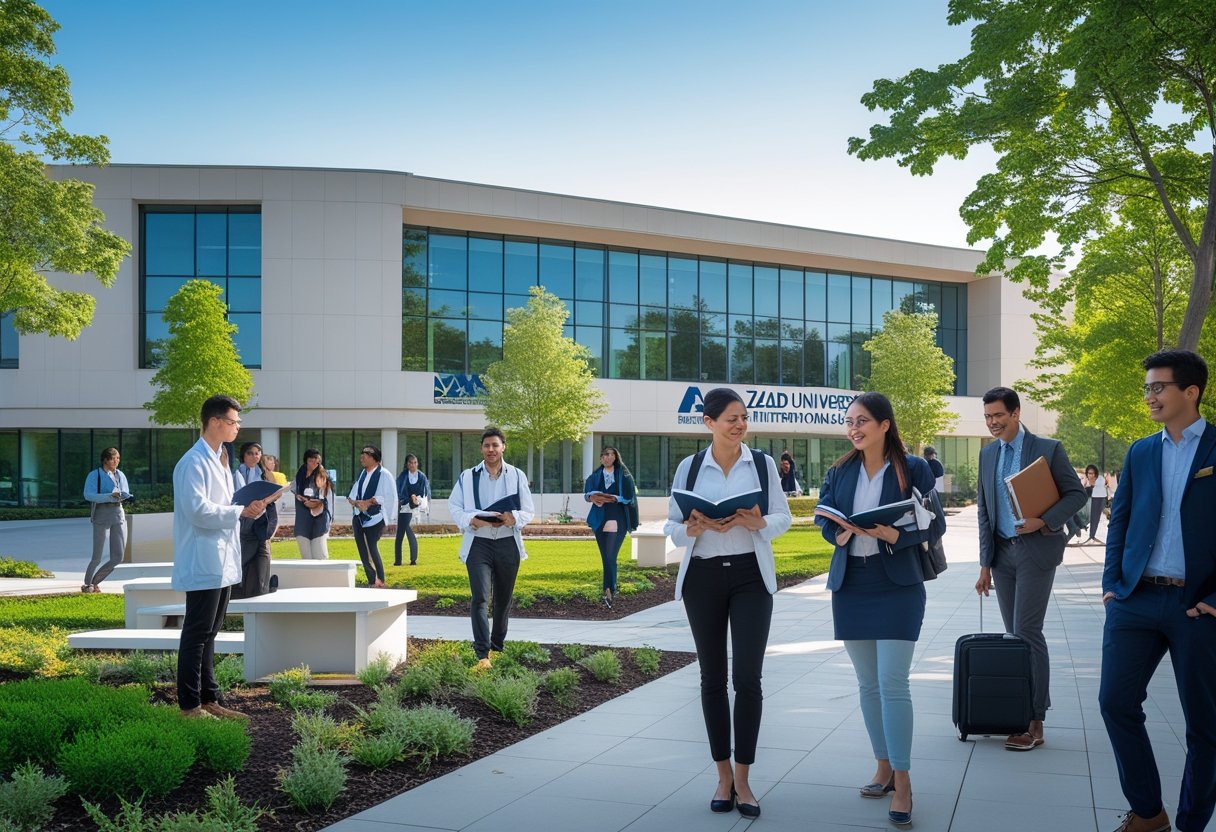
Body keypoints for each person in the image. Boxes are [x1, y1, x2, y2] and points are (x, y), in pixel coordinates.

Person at [1100, 350, 1216, 832]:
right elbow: (1121, 518)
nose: (1149, 395)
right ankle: (1149, 813)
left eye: (1158, 387)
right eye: (1146, 387)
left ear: (1190, 392)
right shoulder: (1141, 450)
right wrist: (1112, 586)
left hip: (1198, 604)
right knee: (1115, 702)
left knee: (1205, 727)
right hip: (1136, 598)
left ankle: (1191, 824)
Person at [664, 388, 791, 820]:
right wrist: (693, 528)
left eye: (744, 417)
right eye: (731, 418)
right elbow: (672, 524)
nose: (740, 424)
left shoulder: (762, 464)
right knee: (712, 679)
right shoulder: (690, 466)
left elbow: (782, 517)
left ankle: (743, 778)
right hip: (703, 577)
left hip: (750, 576)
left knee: (748, 679)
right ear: (709, 422)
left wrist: (758, 523)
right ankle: (721, 776)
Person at [814, 392, 935, 828]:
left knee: (892, 682)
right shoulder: (840, 470)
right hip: (852, 584)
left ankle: (902, 781)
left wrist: (895, 535)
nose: (854, 428)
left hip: (897, 584)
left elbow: (933, 522)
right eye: (849, 421)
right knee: (867, 684)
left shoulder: (914, 468)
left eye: (862, 420)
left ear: (885, 424)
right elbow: (823, 517)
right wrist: (840, 534)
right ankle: (882, 767)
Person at [974, 386, 1086, 751]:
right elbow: (984, 512)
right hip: (1003, 554)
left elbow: (1076, 494)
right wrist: (985, 564)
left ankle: (1036, 721)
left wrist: (1045, 521)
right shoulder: (987, 454)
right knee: (1013, 636)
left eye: (998, 416)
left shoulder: (1047, 449)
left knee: (1027, 631)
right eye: (988, 416)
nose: (992, 422)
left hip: (1036, 550)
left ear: (1016, 413)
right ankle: (1021, 713)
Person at [172, 394, 265, 720]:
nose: (238, 427)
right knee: (196, 633)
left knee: (211, 633)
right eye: (233, 421)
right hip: (202, 558)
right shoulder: (192, 463)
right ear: (214, 422)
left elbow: (227, 505)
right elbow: (198, 511)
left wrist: (247, 508)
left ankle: (210, 700)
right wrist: (240, 511)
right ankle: (189, 705)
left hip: (221, 559)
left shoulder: (221, 460)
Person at [448, 427, 535, 668]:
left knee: (503, 599)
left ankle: (497, 647)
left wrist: (514, 517)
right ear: (481, 448)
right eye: (487, 446)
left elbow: (529, 510)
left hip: (507, 542)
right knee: (480, 597)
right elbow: (454, 505)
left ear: (503, 447)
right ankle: (482, 655)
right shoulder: (468, 476)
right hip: (479, 544)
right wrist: (469, 520)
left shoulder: (517, 475)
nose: (491, 450)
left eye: (495, 445)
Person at [584, 445, 637, 609]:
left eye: (611, 455)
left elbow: (629, 497)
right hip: (599, 519)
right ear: (601, 458)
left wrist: (615, 498)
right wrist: (593, 497)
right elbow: (586, 494)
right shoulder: (594, 476)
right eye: (605, 455)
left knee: (610, 556)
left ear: (615, 458)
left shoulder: (624, 476)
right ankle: (609, 590)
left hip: (617, 517)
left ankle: (609, 590)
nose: (607, 457)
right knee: (606, 557)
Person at [232, 441, 278, 599]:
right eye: (250, 453)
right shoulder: (235, 474)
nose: (254, 456)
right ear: (243, 456)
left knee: (261, 562)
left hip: (261, 524)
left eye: (257, 453)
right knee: (243, 563)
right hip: (242, 523)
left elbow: (273, 500)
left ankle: (262, 591)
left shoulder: (266, 474)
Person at [347, 444, 396, 588]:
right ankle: (372, 580)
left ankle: (380, 580)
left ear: (374, 459)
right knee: (363, 551)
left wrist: (369, 502)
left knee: (371, 547)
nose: (362, 457)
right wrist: (357, 503)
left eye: (366, 455)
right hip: (359, 517)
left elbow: (390, 497)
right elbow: (352, 494)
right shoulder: (362, 473)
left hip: (376, 517)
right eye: (362, 454)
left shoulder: (384, 474)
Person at [81, 447, 129, 593]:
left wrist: (125, 495)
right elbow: (88, 495)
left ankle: (95, 581)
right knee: (97, 555)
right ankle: (87, 583)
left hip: (118, 514)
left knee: (118, 556)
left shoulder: (120, 474)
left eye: (118, 458)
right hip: (101, 514)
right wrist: (108, 496)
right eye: (113, 458)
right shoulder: (95, 475)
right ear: (105, 460)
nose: (116, 461)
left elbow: (126, 491)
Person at [292, 449, 333, 560]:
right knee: (306, 557)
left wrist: (315, 502)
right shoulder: (300, 474)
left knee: (320, 555)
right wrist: (299, 497)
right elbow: (293, 488)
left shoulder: (322, 475)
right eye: (311, 460)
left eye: (317, 460)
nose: (315, 463)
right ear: (306, 461)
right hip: (302, 519)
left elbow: (326, 498)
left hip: (319, 519)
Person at [395, 453, 430, 566]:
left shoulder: (421, 477)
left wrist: (416, 500)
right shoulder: (403, 476)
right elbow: (399, 491)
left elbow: (425, 493)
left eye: (415, 462)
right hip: (405, 506)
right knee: (403, 531)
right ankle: (407, 560)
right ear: (407, 464)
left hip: (416, 506)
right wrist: (408, 499)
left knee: (402, 531)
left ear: (417, 464)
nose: (413, 465)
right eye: (410, 462)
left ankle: (401, 561)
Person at [1084, 464, 1110, 544]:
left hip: (1101, 498)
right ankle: (1091, 536)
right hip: (1094, 499)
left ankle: (1092, 536)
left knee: (1096, 518)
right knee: (1093, 518)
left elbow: (1094, 484)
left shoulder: (1100, 478)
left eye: (1092, 473)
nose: (1091, 475)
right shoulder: (1087, 480)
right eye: (1089, 473)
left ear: (1095, 473)